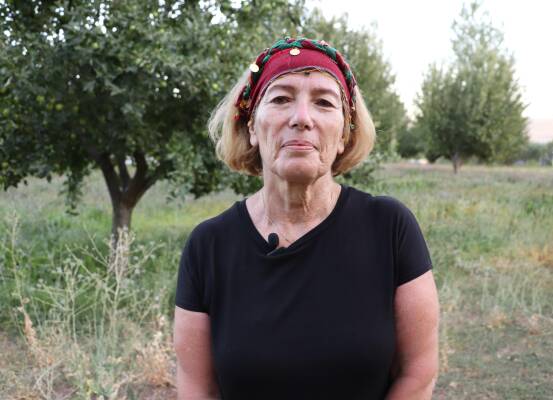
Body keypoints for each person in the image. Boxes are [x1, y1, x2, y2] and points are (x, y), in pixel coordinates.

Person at [173, 37, 439, 400]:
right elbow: (197, 388)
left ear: (344, 134)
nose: (301, 118)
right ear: (251, 127)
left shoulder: (389, 228)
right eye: (281, 99)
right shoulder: (208, 246)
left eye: (324, 102)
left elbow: (418, 373)